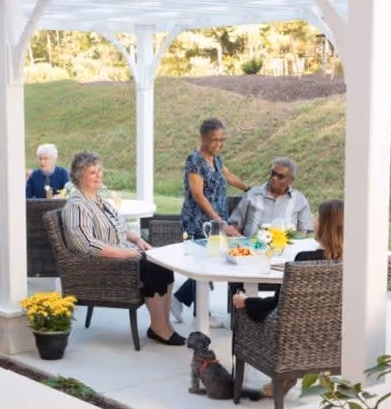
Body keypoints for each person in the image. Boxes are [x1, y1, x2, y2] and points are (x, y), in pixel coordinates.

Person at [61, 151, 184, 346]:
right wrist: (123, 253)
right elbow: (85, 243)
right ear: (79, 177)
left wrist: (136, 239)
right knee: (153, 267)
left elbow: (119, 226)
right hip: (102, 263)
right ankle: (158, 328)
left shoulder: (98, 199)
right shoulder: (77, 205)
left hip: (121, 253)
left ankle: (164, 325)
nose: (99, 175)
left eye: (99, 171)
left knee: (162, 263)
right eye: (92, 172)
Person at [171, 118, 252, 323]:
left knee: (210, 262)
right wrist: (220, 222)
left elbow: (230, 177)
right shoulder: (195, 161)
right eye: (214, 140)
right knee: (207, 263)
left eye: (222, 140)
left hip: (216, 219)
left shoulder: (216, 159)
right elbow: (198, 196)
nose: (218, 144)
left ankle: (185, 302)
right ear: (202, 138)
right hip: (201, 220)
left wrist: (251, 190)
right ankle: (198, 312)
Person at [231, 198, 344, 321]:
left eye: (316, 216)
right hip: (335, 328)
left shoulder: (305, 260)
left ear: (324, 225)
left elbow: (278, 304)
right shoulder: (353, 262)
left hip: (290, 328)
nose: (313, 219)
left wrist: (246, 302)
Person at [228, 157, 312, 236]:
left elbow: (304, 233)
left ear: (291, 180)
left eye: (280, 176)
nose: (274, 178)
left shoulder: (299, 200)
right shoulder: (253, 194)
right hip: (252, 248)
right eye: (273, 174)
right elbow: (235, 224)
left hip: (286, 249)